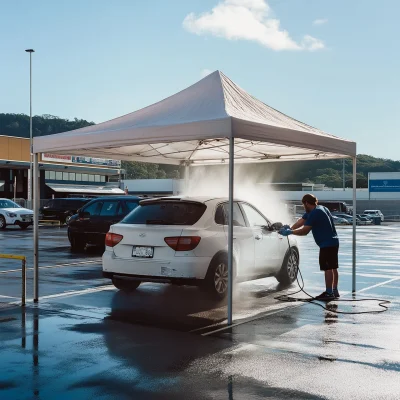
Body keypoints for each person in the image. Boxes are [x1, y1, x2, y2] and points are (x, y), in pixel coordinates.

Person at [279, 194, 340, 300]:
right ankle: (334, 290)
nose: (303, 207)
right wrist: (291, 227)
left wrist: (290, 232)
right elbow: (301, 222)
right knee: (333, 267)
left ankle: (329, 293)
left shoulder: (315, 213)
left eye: (303, 205)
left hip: (327, 244)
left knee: (328, 268)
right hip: (334, 241)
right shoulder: (321, 208)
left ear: (306, 203)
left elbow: (304, 231)